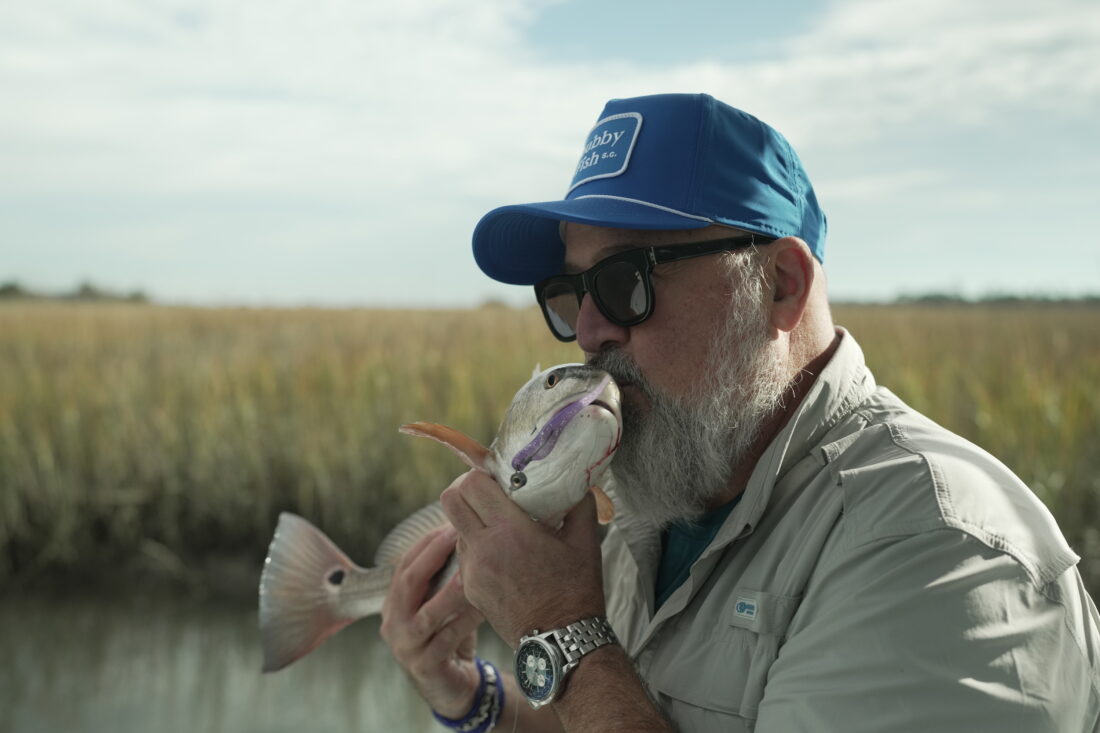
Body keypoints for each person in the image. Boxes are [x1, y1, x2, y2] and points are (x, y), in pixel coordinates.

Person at [379, 93, 1100, 732]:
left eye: (626, 280)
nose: (592, 329)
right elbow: (601, 711)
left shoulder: (937, 552)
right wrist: (473, 699)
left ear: (781, 286)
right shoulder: (666, 494)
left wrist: (560, 629)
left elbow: (591, 680)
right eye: (570, 292)